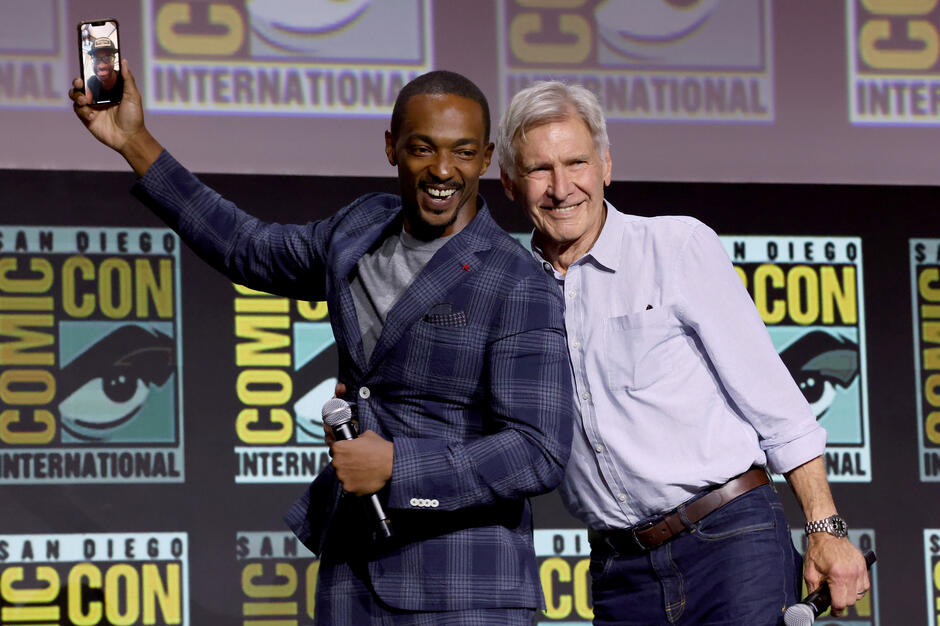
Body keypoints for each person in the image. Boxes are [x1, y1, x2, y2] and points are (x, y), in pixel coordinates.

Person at [69, 64, 573, 625]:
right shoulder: (358, 229)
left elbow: (538, 451)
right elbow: (245, 245)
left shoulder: (517, 280)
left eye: (462, 152)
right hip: (351, 576)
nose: (442, 169)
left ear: (485, 158)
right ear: (391, 148)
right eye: (422, 148)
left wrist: (397, 466)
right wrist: (133, 141)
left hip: (465, 590)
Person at [496, 81, 871, 625]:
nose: (561, 187)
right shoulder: (507, 291)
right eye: (539, 170)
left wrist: (825, 529)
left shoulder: (676, 247)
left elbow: (774, 400)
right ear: (510, 182)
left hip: (730, 542)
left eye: (576, 162)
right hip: (617, 570)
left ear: (605, 165)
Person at [85, 37, 122, 104]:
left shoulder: (124, 79)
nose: (101, 66)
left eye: (107, 58)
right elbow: (86, 106)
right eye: (96, 59)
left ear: (114, 59)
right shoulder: (90, 82)